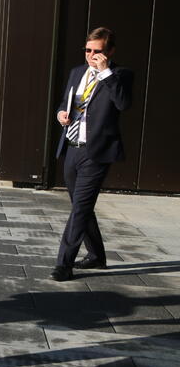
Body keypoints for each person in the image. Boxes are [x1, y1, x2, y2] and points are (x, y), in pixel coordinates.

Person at [51, 27, 133, 282]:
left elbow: (123, 104)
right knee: (81, 207)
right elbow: (66, 102)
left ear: (109, 52)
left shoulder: (120, 75)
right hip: (72, 147)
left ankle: (64, 264)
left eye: (97, 51)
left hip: (96, 153)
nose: (91, 56)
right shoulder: (77, 72)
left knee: (80, 209)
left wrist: (106, 73)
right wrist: (60, 115)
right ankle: (96, 255)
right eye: (88, 50)